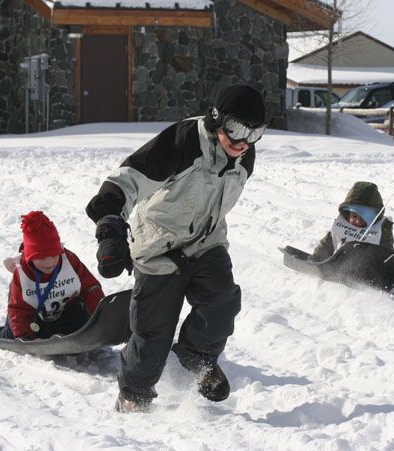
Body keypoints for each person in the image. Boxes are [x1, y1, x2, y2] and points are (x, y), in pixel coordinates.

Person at [85, 84, 267, 412]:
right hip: (159, 247)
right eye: (237, 129)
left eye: (255, 133)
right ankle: (134, 395)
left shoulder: (244, 156)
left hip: (206, 243)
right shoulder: (182, 142)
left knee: (221, 305)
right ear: (217, 120)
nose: (243, 142)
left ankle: (195, 358)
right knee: (152, 339)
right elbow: (125, 180)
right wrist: (110, 228)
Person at [0, 211, 105, 339]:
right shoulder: (21, 272)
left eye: (54, 255)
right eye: (41, 258)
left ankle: (73, 336)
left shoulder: (69, 260)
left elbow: (91, 289)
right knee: (13, 327)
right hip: (33, 323)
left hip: (64, 319)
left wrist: (101, 321)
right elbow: (18, 309)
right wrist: (25, 338)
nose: (49, 262)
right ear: (30, 257)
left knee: (79, 308)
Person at [311, 181, 394, 262]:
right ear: (348, 214)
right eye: (354, 216)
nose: (357, 221)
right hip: (337, 269)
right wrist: (315, 263)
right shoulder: (340, 228)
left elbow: (387, 256)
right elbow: (325, 248)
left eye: (364, 218)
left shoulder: (382, 231)